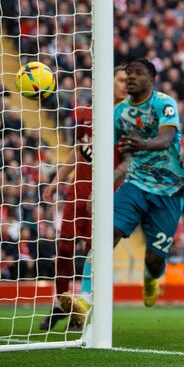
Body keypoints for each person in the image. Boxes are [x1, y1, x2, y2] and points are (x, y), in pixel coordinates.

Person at [38, 65, 129, 331]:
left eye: (128, 81)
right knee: (64, 248)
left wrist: (106, 189)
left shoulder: (129, 119)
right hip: (78, 190)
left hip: (108, 194)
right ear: (108, 81)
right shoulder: (85, 114)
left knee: (94, 253)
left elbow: (129, 163)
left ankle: (84, 309)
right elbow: (80, 151)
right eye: (121, 80)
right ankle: (60, 302)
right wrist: (58, 180)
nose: (125, 85)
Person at [113, 58, 184, 307]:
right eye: (127, 73)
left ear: (151, 79)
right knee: (107, 233)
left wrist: (141, 144)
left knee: (155, 259)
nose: (131, 77)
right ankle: (87, 297)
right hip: (135, 183)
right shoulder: (119, 112)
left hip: (169, 189)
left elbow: (166, 138)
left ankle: (150, 278)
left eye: (137, 73)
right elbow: (103, 147)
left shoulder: (164, 103)